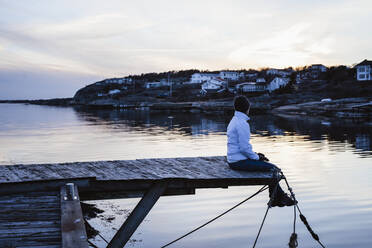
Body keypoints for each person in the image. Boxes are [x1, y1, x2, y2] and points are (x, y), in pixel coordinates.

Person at [227, 95, 295, 207]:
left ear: (236, 108)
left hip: (234, 159)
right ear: (247, 109)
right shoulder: (242, 123)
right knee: (274, 169)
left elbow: (243, 148)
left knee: (268, 166)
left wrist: (256, 155)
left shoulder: (234, 121)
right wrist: (257, 158)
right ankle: (276, 198)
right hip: (238, 162)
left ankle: (278, 198)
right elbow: (244, 148)